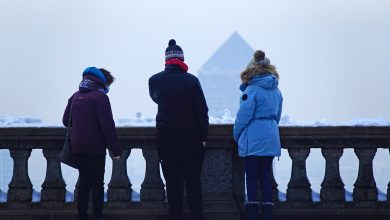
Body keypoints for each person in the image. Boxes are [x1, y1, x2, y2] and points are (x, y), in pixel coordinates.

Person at [148, 39, 209, 220]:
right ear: (182, 59)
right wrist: (203, 135)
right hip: (191, 139)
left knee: (172, 183)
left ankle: (176, 215)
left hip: (166, 138)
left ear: (166, 60)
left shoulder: (155, 80)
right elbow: (202, 111)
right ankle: (196, 216)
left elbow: (155, 98)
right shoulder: (191, 81)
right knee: (192, 182)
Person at [62, 67, 122, 220]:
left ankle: (82, 215)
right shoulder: (100, 98)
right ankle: (97, 216)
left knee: (83, 182)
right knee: (97, 184)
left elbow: (65, 121)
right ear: (103, 81)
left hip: (78, 146)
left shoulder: (75, 96)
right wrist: (115, 150)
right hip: (95, 148)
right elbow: (107, 125)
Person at [233, 50, 283, 220]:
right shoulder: (276, 89)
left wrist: (237, 134)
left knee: (252, 177)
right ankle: (268, 213)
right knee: (266, 176)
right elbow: (277, 115)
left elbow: (243, 117)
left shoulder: (252, 90)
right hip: (271, 135)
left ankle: (253, 214)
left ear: (251, 71)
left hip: (253, 137)